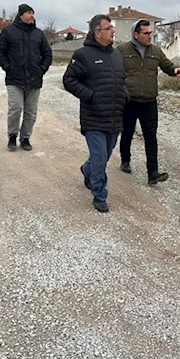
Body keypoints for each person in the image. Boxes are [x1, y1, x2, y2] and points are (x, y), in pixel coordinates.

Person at [63, 14, 128, 213]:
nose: (113, 31)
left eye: (112, 27)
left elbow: (123, 79)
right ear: (97, 32)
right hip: (94, 117)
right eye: (109, 28)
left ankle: (87, 170)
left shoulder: (116, 55)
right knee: (100, 158)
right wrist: (91, 96)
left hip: (115, 116)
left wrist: (125, 95)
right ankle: (100, 195)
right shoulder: (83, 55)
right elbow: (69, 80)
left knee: (105, 156)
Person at [116, 19, 180, 185]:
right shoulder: (122, 50)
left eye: (151, 33)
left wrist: (174, 70)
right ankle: (125, 160)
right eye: (146, 33)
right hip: (129, 100)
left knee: (151, 136)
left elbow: (166, 65)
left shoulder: (155, 50)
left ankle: (152, 172)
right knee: (127, 132)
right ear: (136, 34)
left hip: (149, 101)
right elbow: (114, 69)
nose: (150, 36)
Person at [0, 3, 52, 151]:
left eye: (33, 13)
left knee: (31, 111)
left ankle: (25, 138)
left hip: (34, 79)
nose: (32, 16)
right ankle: (12, 136)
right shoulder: (8, 32)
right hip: (15, 79)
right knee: (15, 108)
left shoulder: (39, 34)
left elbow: (48, 54)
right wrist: (8, 67)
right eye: (29, 13)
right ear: (21, 15)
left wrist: (41, 70)